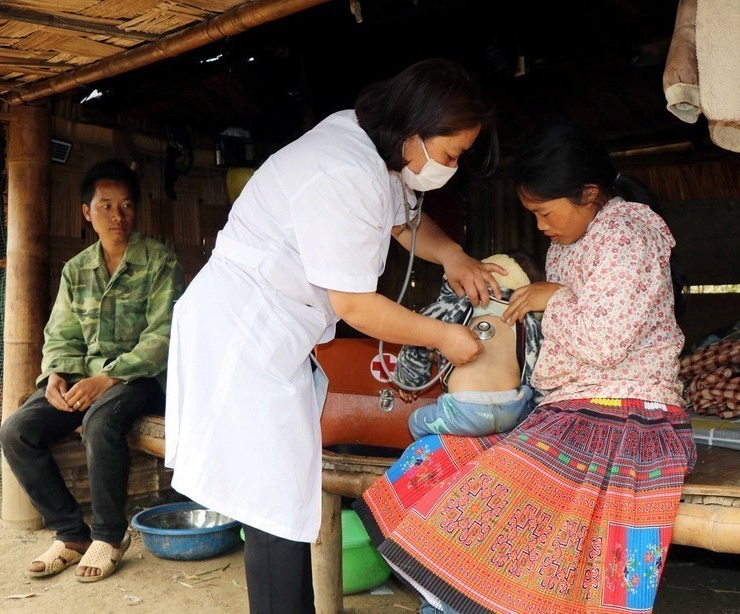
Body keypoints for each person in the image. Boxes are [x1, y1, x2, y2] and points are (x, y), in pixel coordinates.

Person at [164, 58, 504, 614]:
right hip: (242, 333)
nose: (452, 167)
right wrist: (444, 338)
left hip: (274, 334)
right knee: (274, 504)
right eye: (451, 155)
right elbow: (356, 306)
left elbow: (403, 222)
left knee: (284, 497)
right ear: (415, 132)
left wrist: (454, 256)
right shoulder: (344, 171)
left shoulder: (373, 150)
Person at [354, 123, 696, 613]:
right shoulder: (568, 241)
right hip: (568, 411)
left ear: (590, 193)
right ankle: (450, 598)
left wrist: (552, 298)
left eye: (544, 212)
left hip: (627, 416)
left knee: (499, 494)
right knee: (439, 461)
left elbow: (603, 342)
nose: (540, 226)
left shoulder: (628, 231)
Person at [0, 159, 184, 583]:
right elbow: (61, 333)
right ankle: (71, 533)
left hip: (145, 379)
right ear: (87, 213)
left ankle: (108, 535)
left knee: (100, 420)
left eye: (126, 205)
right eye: (106, 206)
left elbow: (164, 337)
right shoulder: (76, 269)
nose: (117, 215)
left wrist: (109, 378)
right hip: (87, 380)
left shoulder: (160, 262)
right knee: (17, 431)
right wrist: (57, 377)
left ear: (136, 211)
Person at [395, 250, 545, 438]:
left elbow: (415, 339)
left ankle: (433, 458)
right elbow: (542, 372)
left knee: (415, 422)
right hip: (512, 409)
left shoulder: (455, 306)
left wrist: (407, 383)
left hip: (463, 410)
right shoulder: (531, 323)